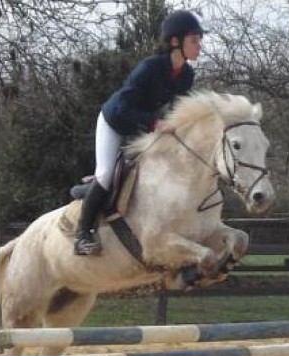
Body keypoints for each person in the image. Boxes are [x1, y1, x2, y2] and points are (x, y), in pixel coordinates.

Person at [74, 10, 207, 256]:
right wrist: (156, 124)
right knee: (105, 175)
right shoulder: (149, 68)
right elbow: (124, 107)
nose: (199, 46)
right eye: (194, 41)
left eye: (199, 41)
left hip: (141, 126)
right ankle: (82, 235)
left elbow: (178, 108)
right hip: (114, 121)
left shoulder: (186, 75)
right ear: (175, 42)